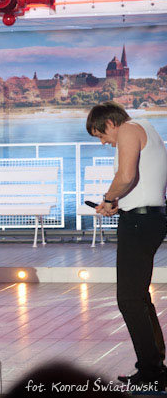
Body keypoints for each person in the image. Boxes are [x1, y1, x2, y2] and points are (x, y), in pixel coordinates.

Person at [87, 101, 167, 389]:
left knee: (129, 299)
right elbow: (142, 181)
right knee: (138, 297)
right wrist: (118, 202)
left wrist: (108, 199)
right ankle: (154, 367)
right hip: (151, 217)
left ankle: (152, 373)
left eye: (101, 135)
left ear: (110, 123)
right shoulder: (147, 128)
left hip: (139, 222)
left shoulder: (129, 130)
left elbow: (126, 176)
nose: (103, 142)